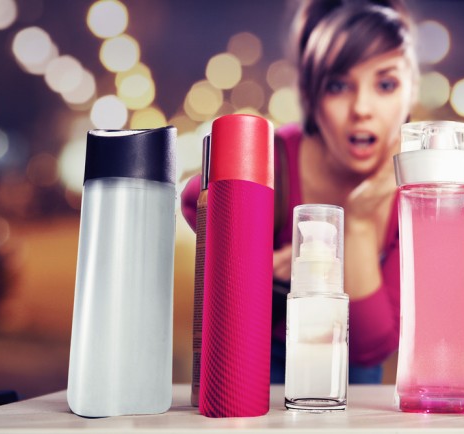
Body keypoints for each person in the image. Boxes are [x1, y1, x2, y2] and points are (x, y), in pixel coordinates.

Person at [182, 0, 418, 384]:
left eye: (386, 84)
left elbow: (371, 347)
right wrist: (261, 262)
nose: (362, 108)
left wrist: (355, 225)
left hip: (355, 388)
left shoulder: (413, 188)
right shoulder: (276, 158)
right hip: (260, 370)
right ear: (311, 97)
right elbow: (197, 199)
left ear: (410, 93)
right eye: (338, 86)